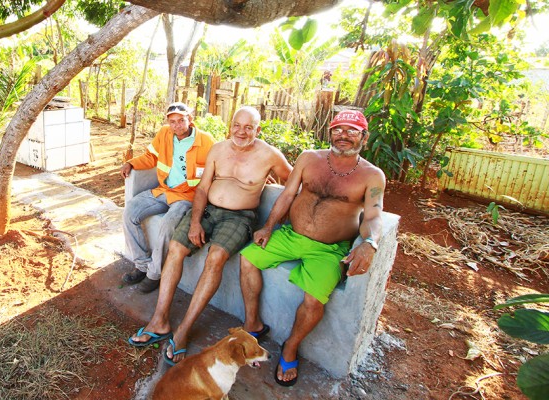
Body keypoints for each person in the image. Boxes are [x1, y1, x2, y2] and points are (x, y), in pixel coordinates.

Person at [128, 106, 293, 365]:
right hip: (208, 211)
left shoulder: (270, 155)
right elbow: (203, 188)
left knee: (215, 256)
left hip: (240, 217)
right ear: (230, 126)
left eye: (249, 127)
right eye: (237, 125)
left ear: (258, 130)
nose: (241, 131)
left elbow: (293, 186)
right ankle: (159, 321)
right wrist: (195, 221)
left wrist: (271, 223)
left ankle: (182, 332)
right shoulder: (219, 149)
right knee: (176, 248)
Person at [239, 109, 386, 387]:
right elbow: (287, 194)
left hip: (329, 249)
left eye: (352, 131)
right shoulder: (309, 158)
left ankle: (290, 347)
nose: (343, 136)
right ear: (330, 132)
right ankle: (252, 325)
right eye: (338, 130)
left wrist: (370, 242)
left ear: (363, 137)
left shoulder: (372, 175)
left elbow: (374, 216)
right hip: (290, 235)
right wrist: (269, 226)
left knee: (314, 300)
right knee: (248, 259)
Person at [121, 102, 215, 293]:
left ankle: (154, 274)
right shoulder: (164, 134)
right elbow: (150, 157)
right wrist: (131, 163)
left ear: (190, 119)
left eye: (181, 120)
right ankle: (142, 265)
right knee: (130, 211)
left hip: (186, 196)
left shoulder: (206, 141)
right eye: (172, 122)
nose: (176, 125)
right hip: (163, 190)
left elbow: (222, 163)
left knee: (167, 226)